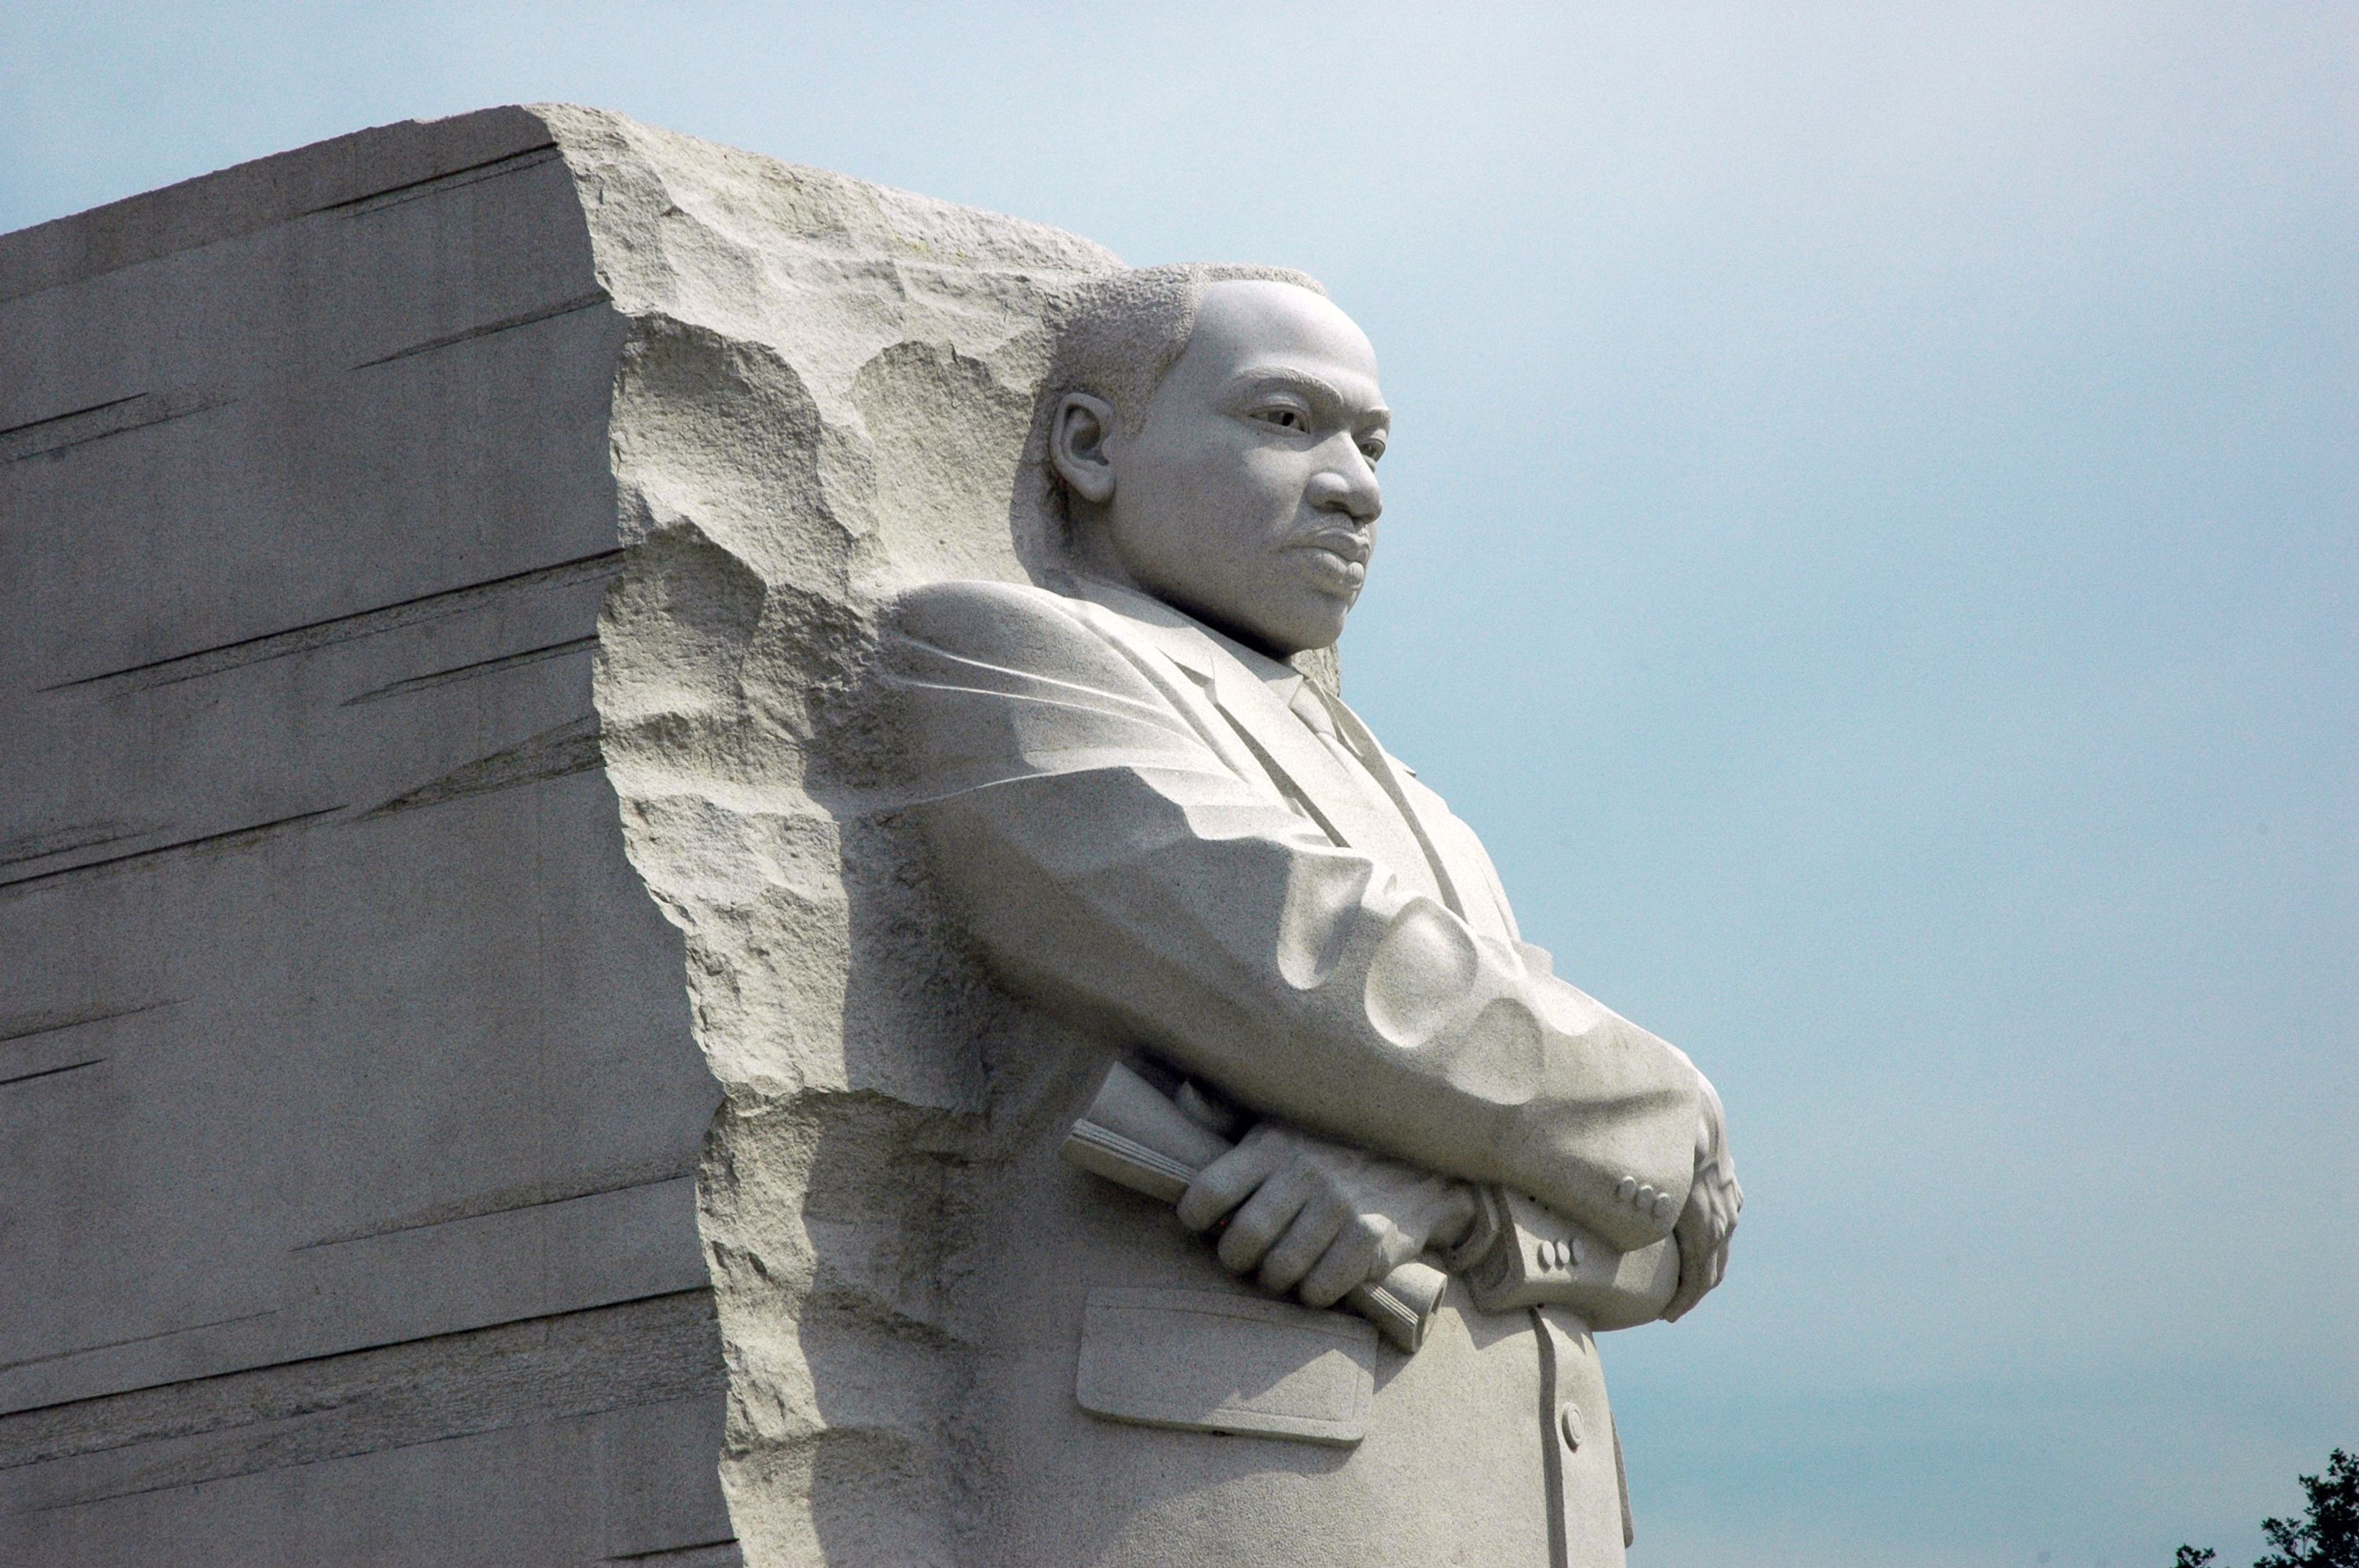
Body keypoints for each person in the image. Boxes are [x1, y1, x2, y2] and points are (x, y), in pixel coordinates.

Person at [882, 263, 1740, 1567]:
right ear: (1091, 446)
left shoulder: (1433, 815)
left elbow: (1675, 1246)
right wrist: (1670, 1106)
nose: (1357, 484)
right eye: (1287, 421)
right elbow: (1325, 971)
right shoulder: (1006, 659)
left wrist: (1452, 1202)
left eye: (1373, 442)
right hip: (1237, 1504)